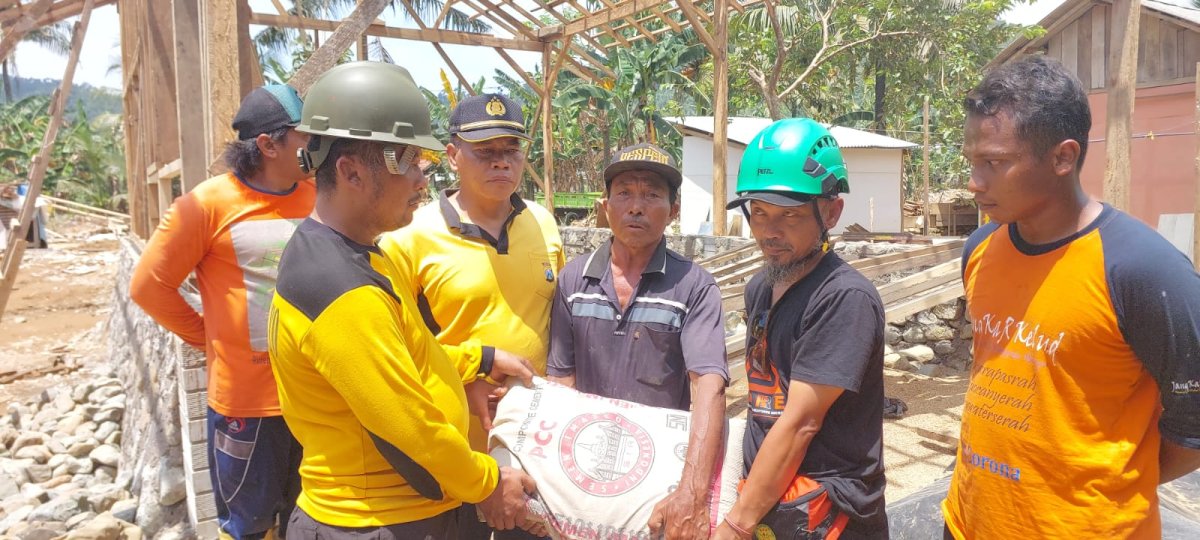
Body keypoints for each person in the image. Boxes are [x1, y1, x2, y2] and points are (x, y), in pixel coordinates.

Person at [266, 61, 541, 539]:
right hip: (379, 521)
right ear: (350, 171)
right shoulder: (341, 290)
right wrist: (489, 483)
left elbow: (410, 354)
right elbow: (411, 427)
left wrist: (480, 358)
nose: (421, 179)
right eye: (406, 161)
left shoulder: (360, 254)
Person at [942, 55, 1200, 539]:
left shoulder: (1143, 271)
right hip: (969, 521)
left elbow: (1194, 428)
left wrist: (1102, 484)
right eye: (972, 162)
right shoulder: (981, 249)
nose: (974, 182)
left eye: (995, 163)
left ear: (1063, 157)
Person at [129, 84, 312, 539]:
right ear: (269, 145)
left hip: (314, 393)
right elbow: (149, 287)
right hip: (248, 405)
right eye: (304, 135)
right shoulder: (205, 205)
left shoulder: (316, 196)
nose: (315, 145)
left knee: (308, 516)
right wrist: (205, 336)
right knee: (248, 525)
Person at [378, 92, 562, 540]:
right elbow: (396, 346)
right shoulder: (409, 238)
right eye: (485, 152)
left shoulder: (542, 221)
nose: (501, 163)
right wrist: (467, 372)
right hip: (455, 458)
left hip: (533, 447)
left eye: (511, 150)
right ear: (453, 155)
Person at [714, 119, 888, 540]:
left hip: (829, 517)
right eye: (759, 213)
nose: (769, 232)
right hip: (775, 503)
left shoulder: (844, 299)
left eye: (789, 216)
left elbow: (800, 423)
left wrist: (736, 525)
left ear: (831, 211)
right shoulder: (762, 286)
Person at [547, 142, 729, 539]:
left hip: (658, 480)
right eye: (625, 193)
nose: (636, 206)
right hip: (585, 471)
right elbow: (561, 383)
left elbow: (708, 388)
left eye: (651, 195)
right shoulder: (574, 282)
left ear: (673, 211)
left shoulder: (693, 287)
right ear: (605, 205)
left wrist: (692, 494)